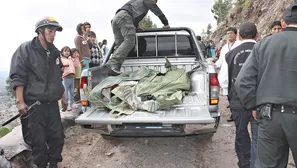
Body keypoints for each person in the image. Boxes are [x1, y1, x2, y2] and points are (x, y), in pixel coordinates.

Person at [235, 3, 297, 167]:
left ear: (283, 23)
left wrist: (254, 105)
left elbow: (243, 81)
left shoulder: (263, 44)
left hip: (270, 117)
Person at [9, 16, 65, 168]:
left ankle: (53, 164)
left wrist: (63, 96)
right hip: (34, 106)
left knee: (57, 137)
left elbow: (58, 76)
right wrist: (20, 102)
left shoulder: (54, 52)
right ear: (40, 31)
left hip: (52, 105)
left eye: (55, 31)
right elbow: (18, 76)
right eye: (50, 30)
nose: (53, 34)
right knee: (37, 141)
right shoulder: (25, 49)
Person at [96, 0, 170, 78]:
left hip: (116, 18)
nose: (155, 3)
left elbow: (132, 11)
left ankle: (113, 68)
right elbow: (155, 9)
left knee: (120, 44)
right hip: (125, 17)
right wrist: (165, 23)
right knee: (130, 41)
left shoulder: (137, 1)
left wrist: (136, 25)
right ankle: (112, 64)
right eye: (155, 1)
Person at [225, 22, 259, 168]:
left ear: (238, 35)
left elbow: (224, 80)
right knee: (259, 136)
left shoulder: (230, 54)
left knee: (241, 133)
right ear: (257, 35)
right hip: (260, 102)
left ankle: (244, 163)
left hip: (238, 101)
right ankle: (256, 163)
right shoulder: (264, 49)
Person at [215, 27, 241, 122]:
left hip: (236, 73)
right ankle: (233, 113)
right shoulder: (225, 47)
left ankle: (238, 113)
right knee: (229, 95)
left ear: (235, 34)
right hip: (226, 74)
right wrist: (215, 65)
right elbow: (221, 61)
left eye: (231, 33)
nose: (229, 35)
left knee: (237, 94)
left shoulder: (239, 45)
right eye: (227, 33)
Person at [60, 46, 79, 111]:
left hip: (72, 77)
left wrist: (76, 58)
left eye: (68, 51)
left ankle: (72, 103)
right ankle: (67, 105)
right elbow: (61, 67)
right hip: (65, 77)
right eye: (65, 51)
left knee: (72, 91)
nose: (67, 52)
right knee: (66, 92)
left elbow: (76, 65)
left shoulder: (71, 59)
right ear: (62, 52)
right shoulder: (61, 59)